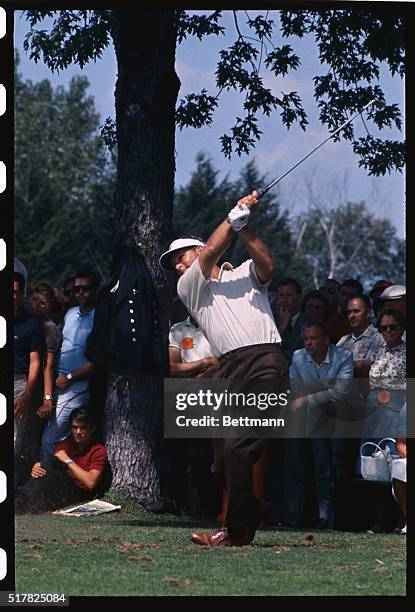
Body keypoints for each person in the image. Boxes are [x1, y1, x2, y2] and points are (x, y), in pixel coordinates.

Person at [159, 191, 288, 546]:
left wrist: (244, 228)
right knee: (222, 460)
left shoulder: (245, 273)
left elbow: (267, 265)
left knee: (238, 450)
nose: (178, 268)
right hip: (229, 370)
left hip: (265, 362)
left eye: (181, 259)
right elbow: (215, 250)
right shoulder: (189, 288)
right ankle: (242, 522)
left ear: (198, 249)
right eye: (174, 266)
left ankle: (235, 532)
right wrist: (233, 219)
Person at [284, 319, 354, 528]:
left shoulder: (343, 356)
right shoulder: (297, 357)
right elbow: (295, 390)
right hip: (304, 420)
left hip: (333, 419)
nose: (308, 343)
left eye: (313, 338)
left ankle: (325, 518)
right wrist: (317, 396)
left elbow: (341, 393)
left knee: (324, 470)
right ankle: (293, 516)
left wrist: (308, 399)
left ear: (325, 339)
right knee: (296, 468)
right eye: (305, 338)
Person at [40, 272, 99, 460]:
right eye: (76, 289)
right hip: (59, 381)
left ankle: (44, 481)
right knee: (64, 436)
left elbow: (97, 361)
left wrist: (70, 377)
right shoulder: (71, 313)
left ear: (96, 290)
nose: (80, 293)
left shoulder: (99, 316)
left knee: (50, 438)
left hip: (77, 385)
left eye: (86, 288)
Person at [15, 407, 109, 513]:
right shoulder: (66, 444)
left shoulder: (97, 450)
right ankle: (21, 500)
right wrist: (36, 468)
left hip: (78, 492)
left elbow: (90, 483)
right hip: (59, 484)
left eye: (83, 428)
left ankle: (22, 502)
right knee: (45, 468)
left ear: (92, 429)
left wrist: (68, 460)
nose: (78, 432)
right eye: (75, 427)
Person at [14, 272, 43, 483]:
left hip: (18, 383)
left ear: (22, 294)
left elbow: (35, 363)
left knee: (14, 439)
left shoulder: (31, 324)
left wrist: (27, 395)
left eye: (15, 292)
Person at [29, 283, 60, 420]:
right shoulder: (25, 319)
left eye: (42, 303)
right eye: (35, 299)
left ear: (50, 307)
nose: (36, 305)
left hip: (39, 383)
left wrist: (47, 397)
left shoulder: (49, 327)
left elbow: (49, 365)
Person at [275, 277, 307, 364]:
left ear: (300, 298)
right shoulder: (270, 321)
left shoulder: (309, 322)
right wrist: (282, 327)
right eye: (281, 296)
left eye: (289, 295)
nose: (284, 300)